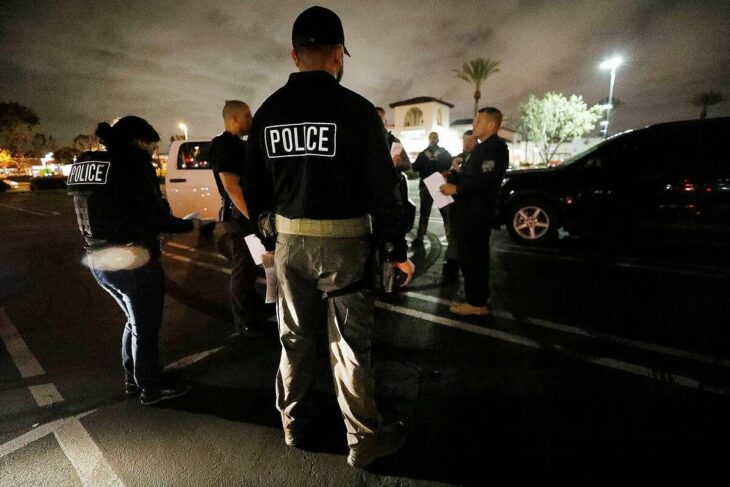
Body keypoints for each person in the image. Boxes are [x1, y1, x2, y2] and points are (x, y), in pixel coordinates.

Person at [243, 5, 415, 469]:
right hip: (345, 243)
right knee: (349, 345)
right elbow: (384, 190)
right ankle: (363, 439)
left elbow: (254, 187)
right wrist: (396, 250)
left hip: (290, 244)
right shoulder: (356, 111)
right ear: (338, 54)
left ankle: (293, 425)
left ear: (296, 56)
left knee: (294, 338)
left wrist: (269, 234)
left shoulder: (268, 112)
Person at [66, 116, 193, 405]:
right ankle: (151, 388)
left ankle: (133, 379)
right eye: (152, 146)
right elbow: (155, 215)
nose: (152, 152)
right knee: (146, 326)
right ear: (138, 141)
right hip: (131, 257)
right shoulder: (134, 166)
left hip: (96, 257)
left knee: (134, 321)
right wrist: (188, 225)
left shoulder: (86, 163)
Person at [440, 107, 508, 316]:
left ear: (490, 125)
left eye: (478, 121)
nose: (474, 125)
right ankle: (477, 297)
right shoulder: (483, 148)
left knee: (473, 258)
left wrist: (456, 189)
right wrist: (452, 179)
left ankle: (476, 303)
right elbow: (473, 176)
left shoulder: (494, 148)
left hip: (476, 213)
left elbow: (484, 182)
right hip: (470, 210)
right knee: (472, 257)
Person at [209, 100, 266, 339]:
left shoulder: (238, 145)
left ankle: (252, 310)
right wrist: (253, 218)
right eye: (248, 116)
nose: (251, 120)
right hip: (239, 218)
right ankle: (243, 322)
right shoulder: (223, 145)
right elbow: (232, 187)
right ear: (234, 118)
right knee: (243, 269)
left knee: (252, 266)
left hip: (244, 218)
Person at [440, 129, 478, 283]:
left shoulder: (477, 158)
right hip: (454, 203)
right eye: (465, 140)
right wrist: (448, 174)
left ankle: (455, 264)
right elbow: (456, 177)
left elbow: (473, 180)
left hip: (469, 204)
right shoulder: (459, 157)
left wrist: (457, 169)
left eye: (470, 141)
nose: (467, 144)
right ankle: (452, 264)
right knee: (454, 234)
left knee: (463, 237)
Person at [376, 106, 415, 233]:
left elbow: (408, 165)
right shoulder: (363, 139)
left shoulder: (393, 141)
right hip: (371, 190)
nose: (378, 120)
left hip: (391, 191)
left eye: (380, 118)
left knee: (395, 227)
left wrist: (398, 163)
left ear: (385, 121)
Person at [411, 131, 451, 245]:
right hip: (435, 184)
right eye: (431, 138)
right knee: (443, 215)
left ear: (437, 140)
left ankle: (420, 238)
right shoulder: (443, 153)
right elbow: (449, 164)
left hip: (433, 185)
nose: (433, 140)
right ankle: (450, 239)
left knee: (428, 214)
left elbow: (415, 167)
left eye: (434, 138)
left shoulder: (424, 153)